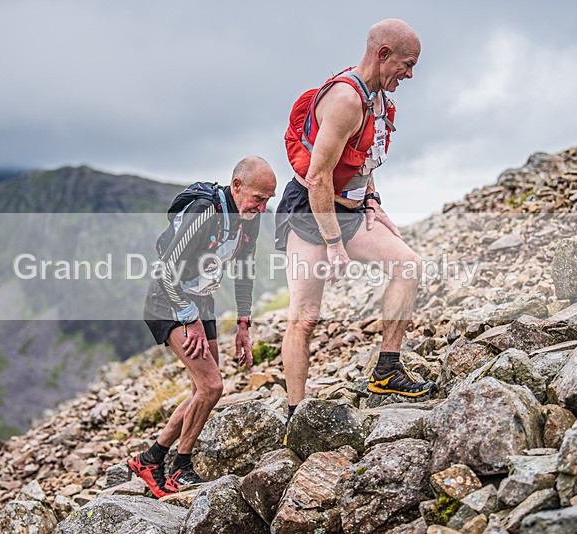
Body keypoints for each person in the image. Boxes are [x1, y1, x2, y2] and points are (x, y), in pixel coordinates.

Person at [276, 19, 435, 430]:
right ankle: (296, 415)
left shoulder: (379, 100)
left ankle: (386, 371)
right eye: (407, 63)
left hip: (350, 209)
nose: (410, 74)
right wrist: (333, 242)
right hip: (311, 212)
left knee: (409, 265)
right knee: (305, 317)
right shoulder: (346, 100)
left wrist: (372, 200)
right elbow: (317, 177)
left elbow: (366, 156)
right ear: (383, 54)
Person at [129, 156, 277, 498]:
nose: (263, 206)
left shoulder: (248, 219)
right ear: (237, 186)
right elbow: (167, 271)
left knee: (203, 388)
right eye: (258, 197)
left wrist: (244, 323)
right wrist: (189, 319)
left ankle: (150, 459)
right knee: (211, 386)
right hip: (168, 300)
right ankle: (179, 466)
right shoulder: (205, 212)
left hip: (201, 301)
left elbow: (244, 270)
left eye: (269, 199)